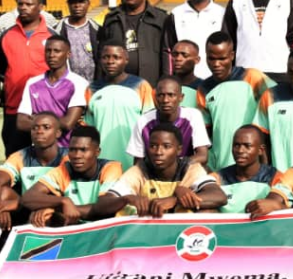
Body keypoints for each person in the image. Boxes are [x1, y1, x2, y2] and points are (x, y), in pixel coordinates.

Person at [0, 112, 67, 279]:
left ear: (58, 133)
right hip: (26, 207)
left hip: (57, 211)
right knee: (2, 194)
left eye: (46, 127)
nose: (39, 131)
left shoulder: (67, 158)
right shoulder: (21, 156)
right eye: (35, 128)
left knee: (44, 214)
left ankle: (38, 263)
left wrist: (48, 208)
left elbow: (70, 197)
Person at [98, 123, 226, 217]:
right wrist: (126, 199)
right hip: (148, 232)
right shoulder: (140, 170)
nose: (158, 152)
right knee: (120, 210)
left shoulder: (189, 168)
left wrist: (175, 200)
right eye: (153, 146)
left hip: (182, 233)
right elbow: (103, 203)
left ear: (179, 150)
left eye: (166, 146)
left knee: (208, 211)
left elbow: (219, 196)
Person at [197, 31, 275, 171]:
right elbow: (206, 135)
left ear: (232, 55)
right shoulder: (204, 88)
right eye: (211, 59)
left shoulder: (252, 77)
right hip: (221, 168)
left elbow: (281, 99)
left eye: (222, 58)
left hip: (253, 167)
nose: (216, 64)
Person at [0, 0, 58, 155]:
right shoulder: (7, 36)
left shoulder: (52, 36)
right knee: (16, 157)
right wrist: (3, 87)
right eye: (20, 4)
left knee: (48, 157)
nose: (23, 8)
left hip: (46, 108)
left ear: (40, 7)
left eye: (29, 4)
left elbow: (63, 72)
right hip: (15, 108)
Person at [21, 126, 123, 227]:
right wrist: (64, 201)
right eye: (72, 149)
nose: (77, 155)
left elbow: (104, 208)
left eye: (83, 150)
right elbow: (27, 198)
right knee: (36, 219)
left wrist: (55, 210)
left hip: (104, 230)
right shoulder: (64, 170)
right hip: (73, 229)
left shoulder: (110, 168)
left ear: (97, 152)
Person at [84, 40, 156, 170]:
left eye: (116, 57)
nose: (110, 61)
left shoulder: (141, 86)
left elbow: (149, 125)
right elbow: (89, 128)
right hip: (101, 163)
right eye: (106, 57)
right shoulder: (92, 89)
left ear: (126, 60)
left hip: (133, 161)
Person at [98, 0, 176, 86]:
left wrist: (165, 82)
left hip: (150, 84)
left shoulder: (161, 18)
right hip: (117, 85)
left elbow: (167, 54)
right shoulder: (111, 18)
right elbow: (102, 52)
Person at [16, 34, 88, 147]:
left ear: (68, 54)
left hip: (68, 149)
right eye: (48, 51)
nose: (51, 55)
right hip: (39, 150)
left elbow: (68, 123)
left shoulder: (79, 83)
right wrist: (55, 122)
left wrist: (36, 119)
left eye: (57, 51)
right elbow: (21, 123)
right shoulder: (32, 83)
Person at [127, 75, 211, 167]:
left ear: (181, 97)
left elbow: (203, 156)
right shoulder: (143, 121)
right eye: (161, 95)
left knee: (204, 173)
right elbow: (138, 163)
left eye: (171, 95)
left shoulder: (193, 116)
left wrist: (173, 168)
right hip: (154, 172)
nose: (165, 100)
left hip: (185, 169)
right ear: (155, 97)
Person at [209, 125, 282, 213]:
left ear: (261, 150)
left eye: (247, 146)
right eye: (236, 145)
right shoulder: (217, 178)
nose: (240, 150)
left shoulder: (275, 177)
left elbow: (286, 209)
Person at [171, 0, 225, 79]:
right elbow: (168, 48)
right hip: (184, 78)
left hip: (213, 76)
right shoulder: (176, 14)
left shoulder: (222, 13)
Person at [52, 0, 100, 82]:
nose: (77, 5)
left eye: (81, 2)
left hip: (93, 84)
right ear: (68, 4)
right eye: (73, 2)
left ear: (88, 4)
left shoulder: (98, 30)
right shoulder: (56, 31)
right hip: (66, 84)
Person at [170, 40, 203, 109]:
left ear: (197, 60)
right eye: (175, 55)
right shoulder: (162, 86)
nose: (178, 59)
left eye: (185, 55)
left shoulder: (204, 88)